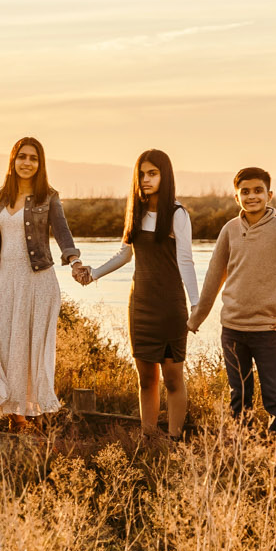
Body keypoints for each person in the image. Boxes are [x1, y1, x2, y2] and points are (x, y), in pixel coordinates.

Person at [74, 150, 199, 438]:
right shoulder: (136, 211)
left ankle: (175, 440)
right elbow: (124, 254)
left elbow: (186, 261)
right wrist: (93, 275)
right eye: (142, 174)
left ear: (164, 175)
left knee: (172, 378)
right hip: (140, 305)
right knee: (146, 379)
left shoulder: (178, 214)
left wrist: (196, 305)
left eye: (152, 173)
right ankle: (149, 440)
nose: (146, 179)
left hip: (170, 306)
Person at [187, 167, 276, 439]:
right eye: (245, 192)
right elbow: (214, 276)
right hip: (232, 329)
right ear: (237, 197)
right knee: (240, 396)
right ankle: (241, 451)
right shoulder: (229, 230)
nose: (252, 196)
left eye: (258, 191)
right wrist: (197, 318)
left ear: (269, 195)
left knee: (275, 397)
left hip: (266, 330)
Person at [0, 136, 81, 429]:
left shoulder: (49, 197)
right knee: (2, 344)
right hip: (8, 282)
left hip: (38, 281)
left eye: (33, 158)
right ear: (13, 160)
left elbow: (63, 233)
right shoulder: (1, 197)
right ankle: (14, 412)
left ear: (40, 164)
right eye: (22, 157)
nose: (27, 163)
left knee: (32, 348)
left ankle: (27, 416)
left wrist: (75, 262)